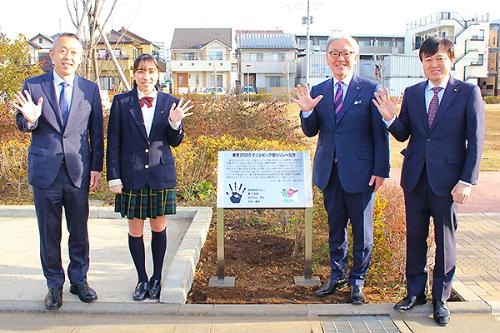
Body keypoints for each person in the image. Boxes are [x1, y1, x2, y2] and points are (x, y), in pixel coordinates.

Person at [373, 37, 485, 326]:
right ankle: (415, 293)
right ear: (421, 63)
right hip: (415, 178)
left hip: (449, 182)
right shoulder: (412, 93)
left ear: (451, 60)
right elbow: (403, 132)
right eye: (428, 59)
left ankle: (441, 298)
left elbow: (476, 142)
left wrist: (467, 180)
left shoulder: (468, 93)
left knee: (445, 240)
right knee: (415, 237)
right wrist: (389, 118)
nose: (434, 64)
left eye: (440, 59)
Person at [292, 33, 390, 304]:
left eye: (346, 53)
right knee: (336, 229)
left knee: (362, 232)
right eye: (335, 53)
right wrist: (308, 111)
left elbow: (379, 134)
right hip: (330, 173)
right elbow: (311, 132)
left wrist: (381, 169)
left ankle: (357, 280)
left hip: (361, 174)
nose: (340, 58)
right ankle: (336, 276)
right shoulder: (320, 90)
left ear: (355, 58)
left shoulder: (370, 89)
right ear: (327, 58)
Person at [12, 33, 104, 310]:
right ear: (51, 56)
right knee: (49, 232)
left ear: (80, 58)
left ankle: (79, 280)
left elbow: (96, 133)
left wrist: (96, 167)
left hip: (78, 171)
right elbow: (22, 121)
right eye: (62, 51)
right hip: (46, 173)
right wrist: (29, 120)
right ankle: (54, 285)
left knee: (79, 231)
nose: (68, 57)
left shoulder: (89, 89)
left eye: (74, 52)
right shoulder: (34, 85)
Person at [106, 54, 192, 301]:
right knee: (135, 230)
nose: (146, 76)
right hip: (131, 176)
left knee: (158, 228)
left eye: (151, 71)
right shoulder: (122, 103)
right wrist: (114, 176)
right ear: (134, 74)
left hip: (160, 174)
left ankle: (156, 278)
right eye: (141, 71)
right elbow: (114, 142)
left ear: (158, 74)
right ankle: (141, 279)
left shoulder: (170, 102)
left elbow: (175, 142)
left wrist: (175, 124)